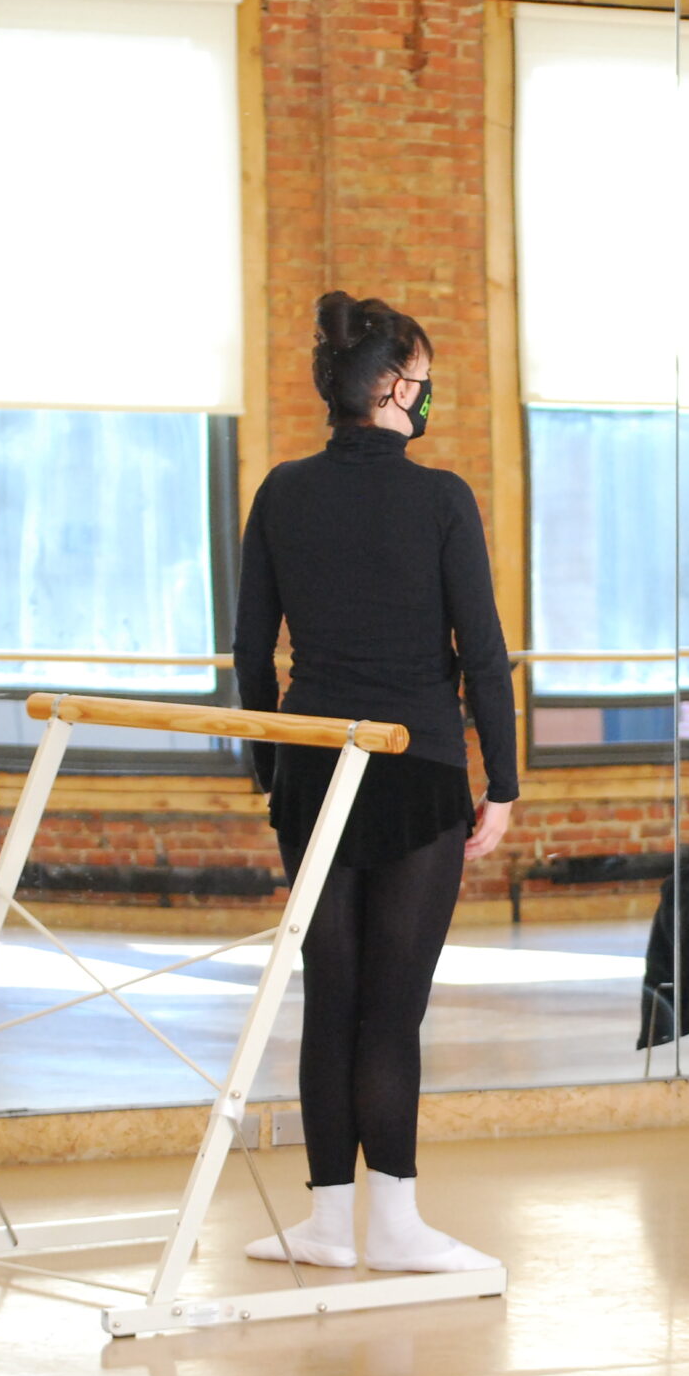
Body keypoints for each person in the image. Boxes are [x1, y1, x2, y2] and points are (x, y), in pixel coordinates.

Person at [231, 292, 516, 1274]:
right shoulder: (441, 500)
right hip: (419, 766)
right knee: (393, 1007)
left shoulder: (280, 491)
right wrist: (505, 784)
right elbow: (482, 655)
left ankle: (324, 1223)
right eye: (422, 383)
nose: (426, 398)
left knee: (332, 996)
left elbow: (248, 654)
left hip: (313, 766)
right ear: (392, 389)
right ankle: (393, 1224)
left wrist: (273, 768)